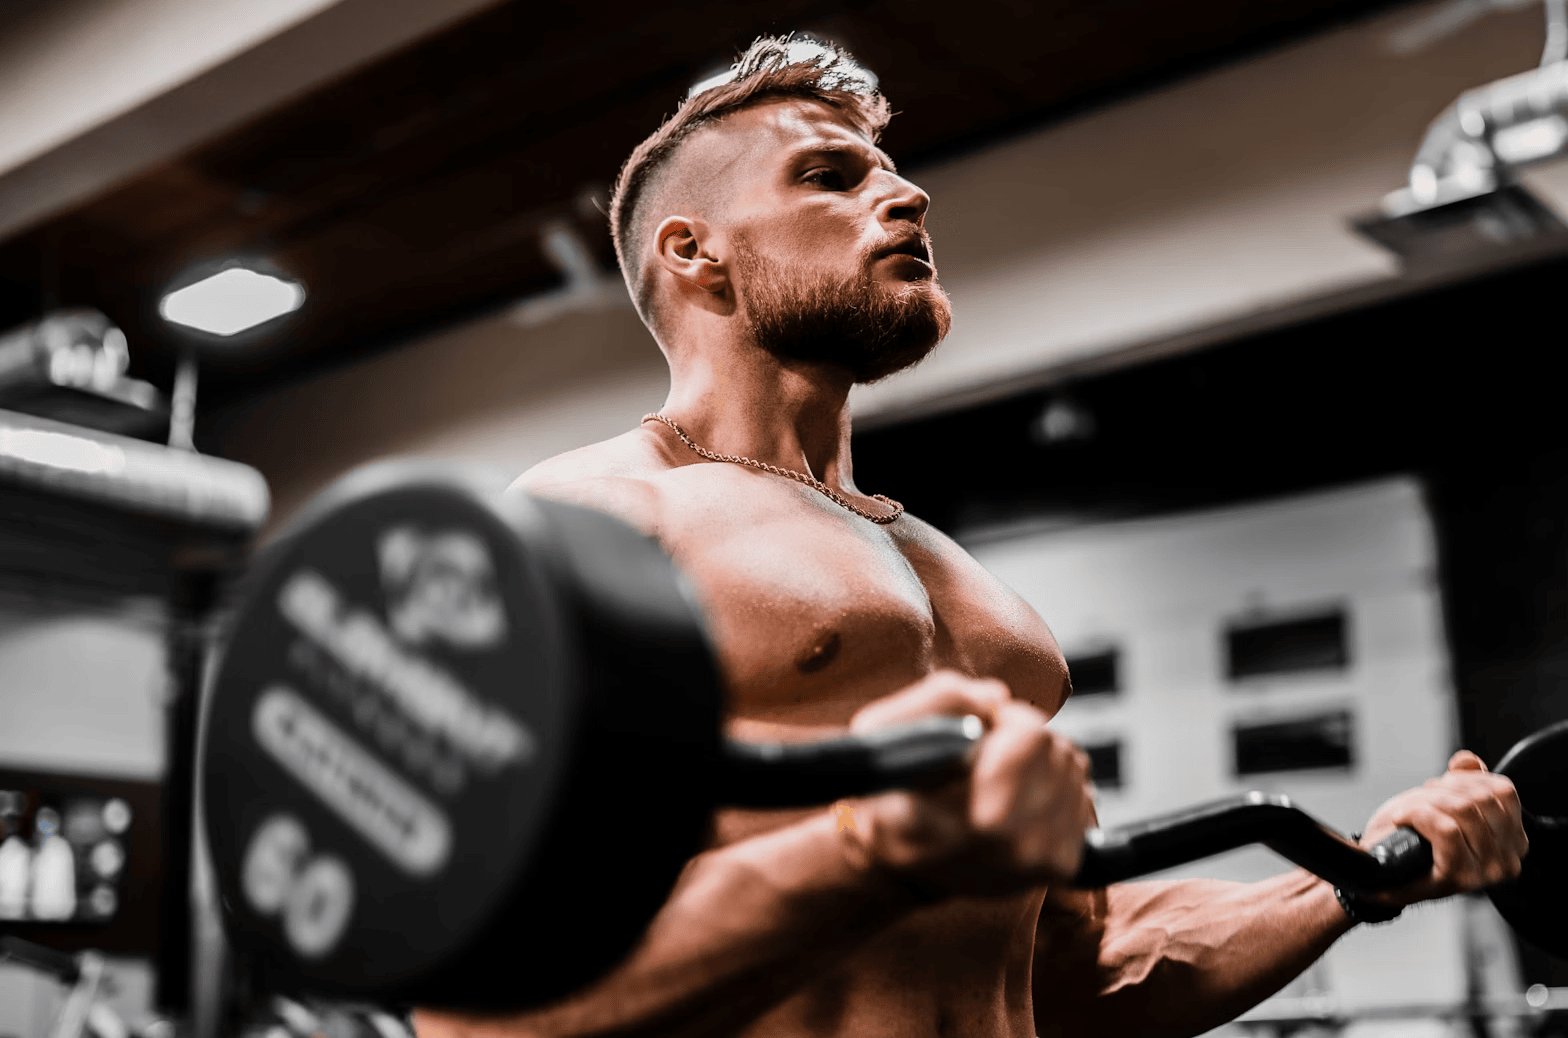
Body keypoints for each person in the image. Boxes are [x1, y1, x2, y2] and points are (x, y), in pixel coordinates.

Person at [414, 36, 1528, 1038]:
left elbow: (1081, 974)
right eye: (830, 176)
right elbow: (477, 1009)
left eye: (888, 171)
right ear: (695, 253)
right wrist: (863, 851)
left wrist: (1354, 875)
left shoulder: (953, 581)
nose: (902, 195)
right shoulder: (590, 520)